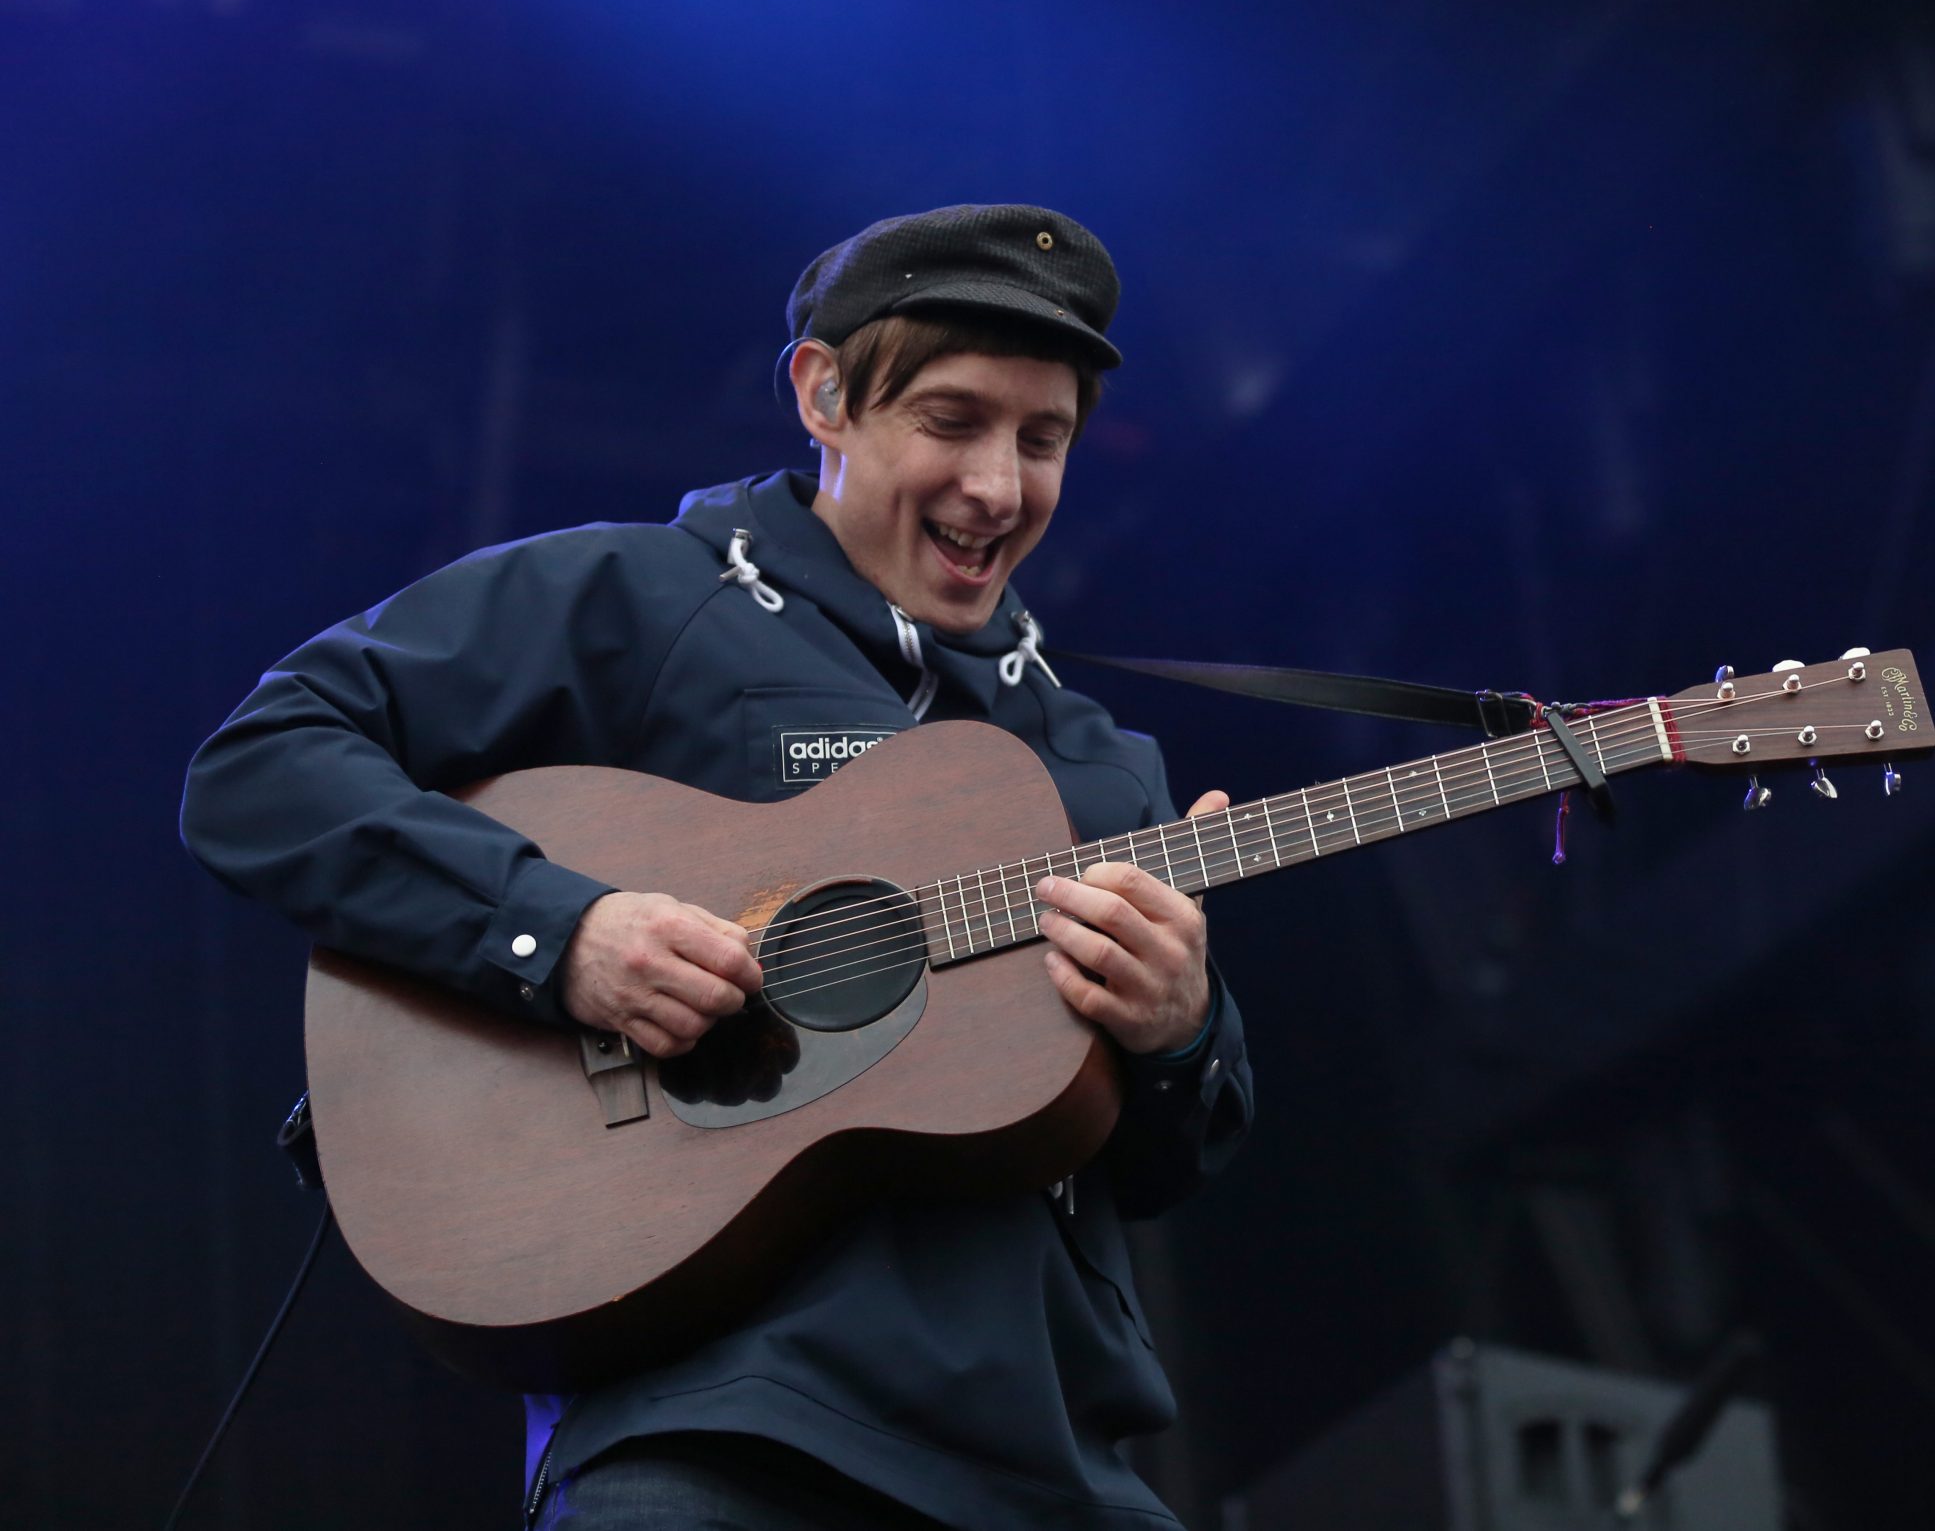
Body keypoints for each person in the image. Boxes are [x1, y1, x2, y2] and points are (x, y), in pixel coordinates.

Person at [179, 204, 1254, 1529]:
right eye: (953, 422)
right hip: (715, 1434)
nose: (998, 486)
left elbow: (1165, 1161)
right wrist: (557, 931)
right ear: (824, 394)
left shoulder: (1104, 770)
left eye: (1044, 442)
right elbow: (265, 762)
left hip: (1052, 1466)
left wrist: (1179, 1031)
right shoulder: (644, 599)